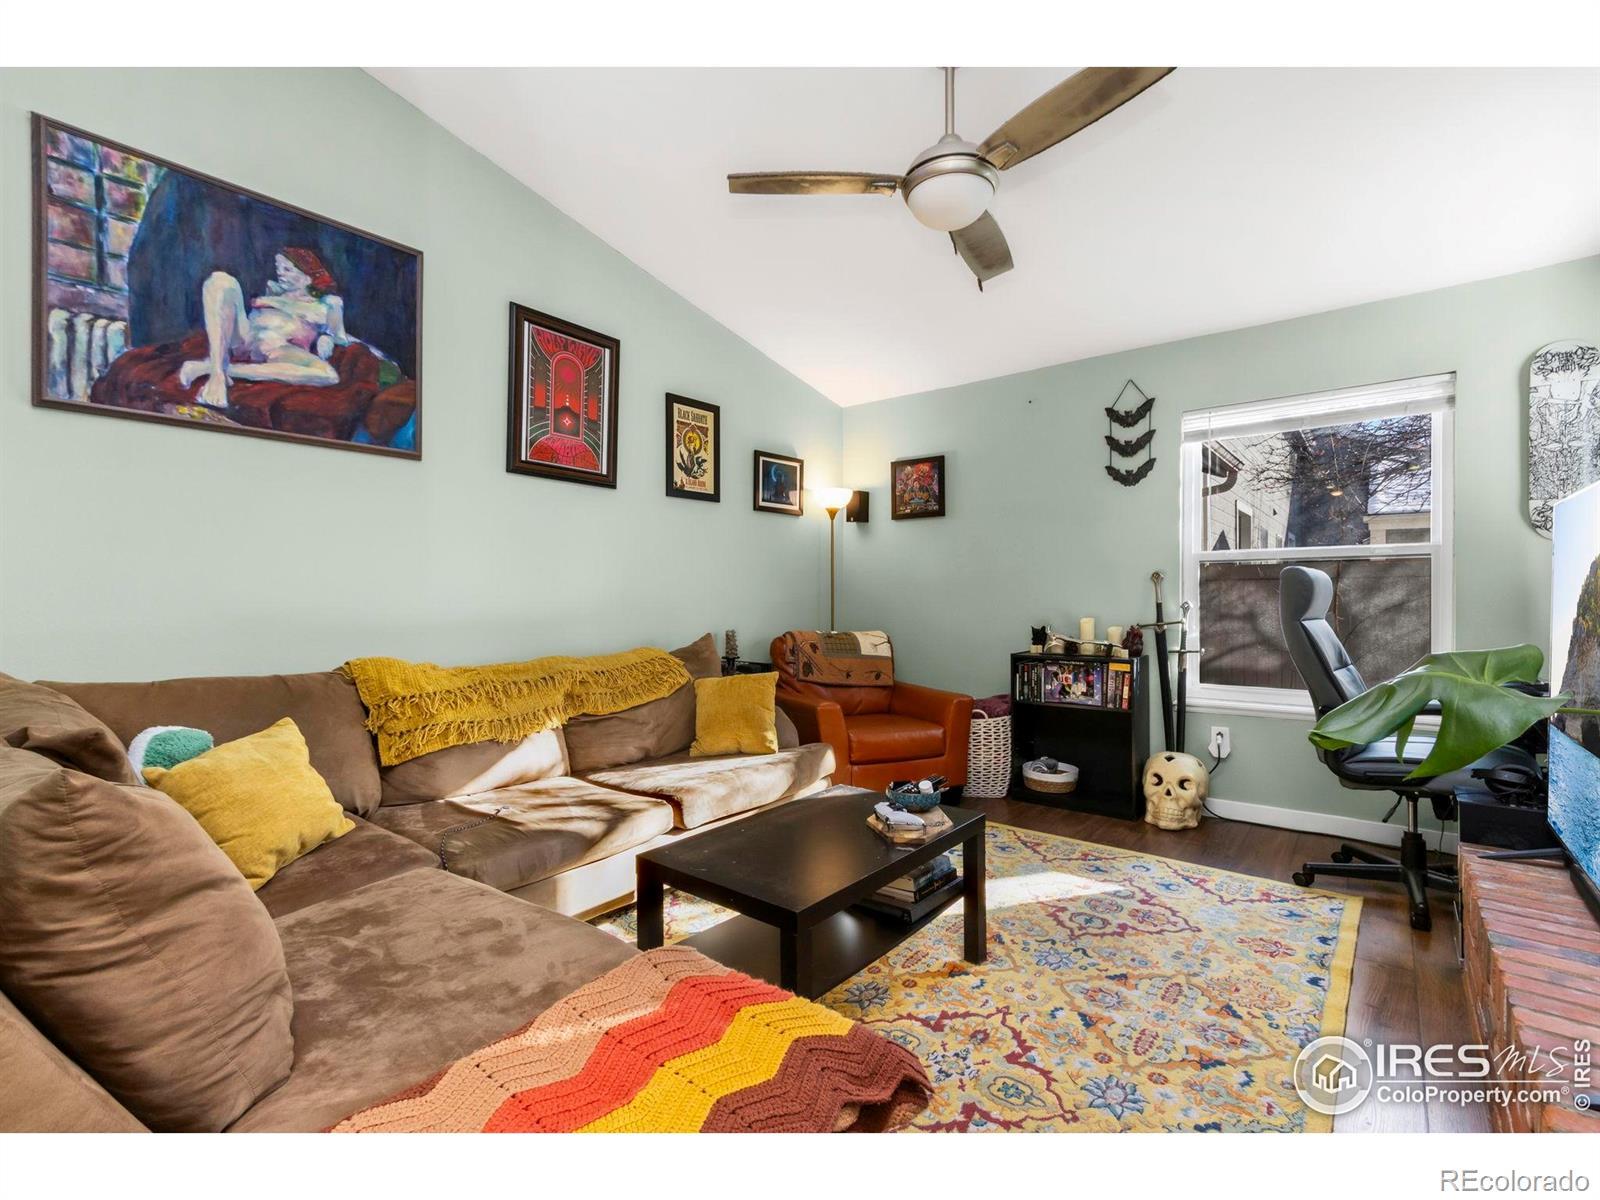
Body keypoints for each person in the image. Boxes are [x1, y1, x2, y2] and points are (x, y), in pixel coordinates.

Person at [177, 247, 352, 408]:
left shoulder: (328, 302)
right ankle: (217, 374)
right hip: (245, 338)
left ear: (308, 277)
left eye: (287, 269)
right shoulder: (274, 290)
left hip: (280, 349)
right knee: (219, 280)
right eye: (278, 267)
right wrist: (273, 300)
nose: (280, 273)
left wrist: (326, 337)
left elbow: (340, 336)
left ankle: (213, 368)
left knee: (328, 374)